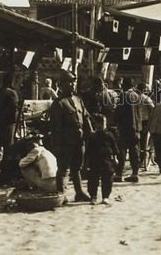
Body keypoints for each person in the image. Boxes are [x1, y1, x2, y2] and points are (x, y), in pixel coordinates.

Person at [48, 70, 93, 201]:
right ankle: (61, 195)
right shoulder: (59, 103)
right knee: (63, 168)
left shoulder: (78, 100)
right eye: (69, 82)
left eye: (73, 81)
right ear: (61, 85)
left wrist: (92, 134)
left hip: (79, 141)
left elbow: (86, 117)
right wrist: (57, 144)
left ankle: (79, 193)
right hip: (65, 143)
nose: (72, 84)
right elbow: (55, 127)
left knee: (77, 168)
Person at [85, 114, 120, 205]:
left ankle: (105, 196)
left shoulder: (109, 135)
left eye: (104, 123)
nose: (102, 125)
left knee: (107, 179)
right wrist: (87, 162)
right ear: (96, 124)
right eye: (99, 123)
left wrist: (115, 158)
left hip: (107, 161)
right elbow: (88, 150)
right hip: (95, 161)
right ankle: (93, 196)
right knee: (93, 180)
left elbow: (114, 147)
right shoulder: (92, 136)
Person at [114, 78, 142, 182]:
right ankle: (135, 173)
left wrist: (114, 120)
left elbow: (119, 111)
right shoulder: (137, 95)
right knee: (134, 151)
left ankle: (119, 174)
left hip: (125, 127)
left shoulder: (124, 95)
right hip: (136, 128)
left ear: (124, 85)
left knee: (122, 151)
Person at [0, 73, 20, 165]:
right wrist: (14, 122)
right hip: (7, 123)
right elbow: (14, 109)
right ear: (11, 82)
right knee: (8, 145)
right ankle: (6, 165)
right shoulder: (12, 93)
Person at [136, 83, 155, 170]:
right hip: (144, 121)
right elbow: (153, 110)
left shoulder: (133, 98)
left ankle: (138, 158)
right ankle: (142, 159)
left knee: (138, 141)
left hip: (136, 121)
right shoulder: (146, 99)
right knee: (144, 141)